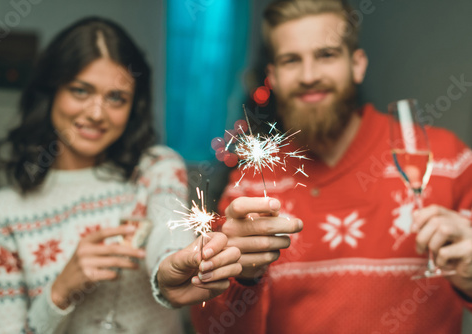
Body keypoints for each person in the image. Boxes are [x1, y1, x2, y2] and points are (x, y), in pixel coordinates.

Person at [192, 0, 472, 333]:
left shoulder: (445, 158)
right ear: (274, 77)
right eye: (291, 60)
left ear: (357, 64)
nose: (310, 76)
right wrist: (244, 278)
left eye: (326, 55)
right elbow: (215, 327)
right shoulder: (251, 184)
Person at [0, 17, 242, 334]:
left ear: (133, 105)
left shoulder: (156, 168)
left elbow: (169, 244)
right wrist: (60, 292)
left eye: (115, 97)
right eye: (80, 90)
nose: (97, 113)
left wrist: (172, 272)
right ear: (50, 93)